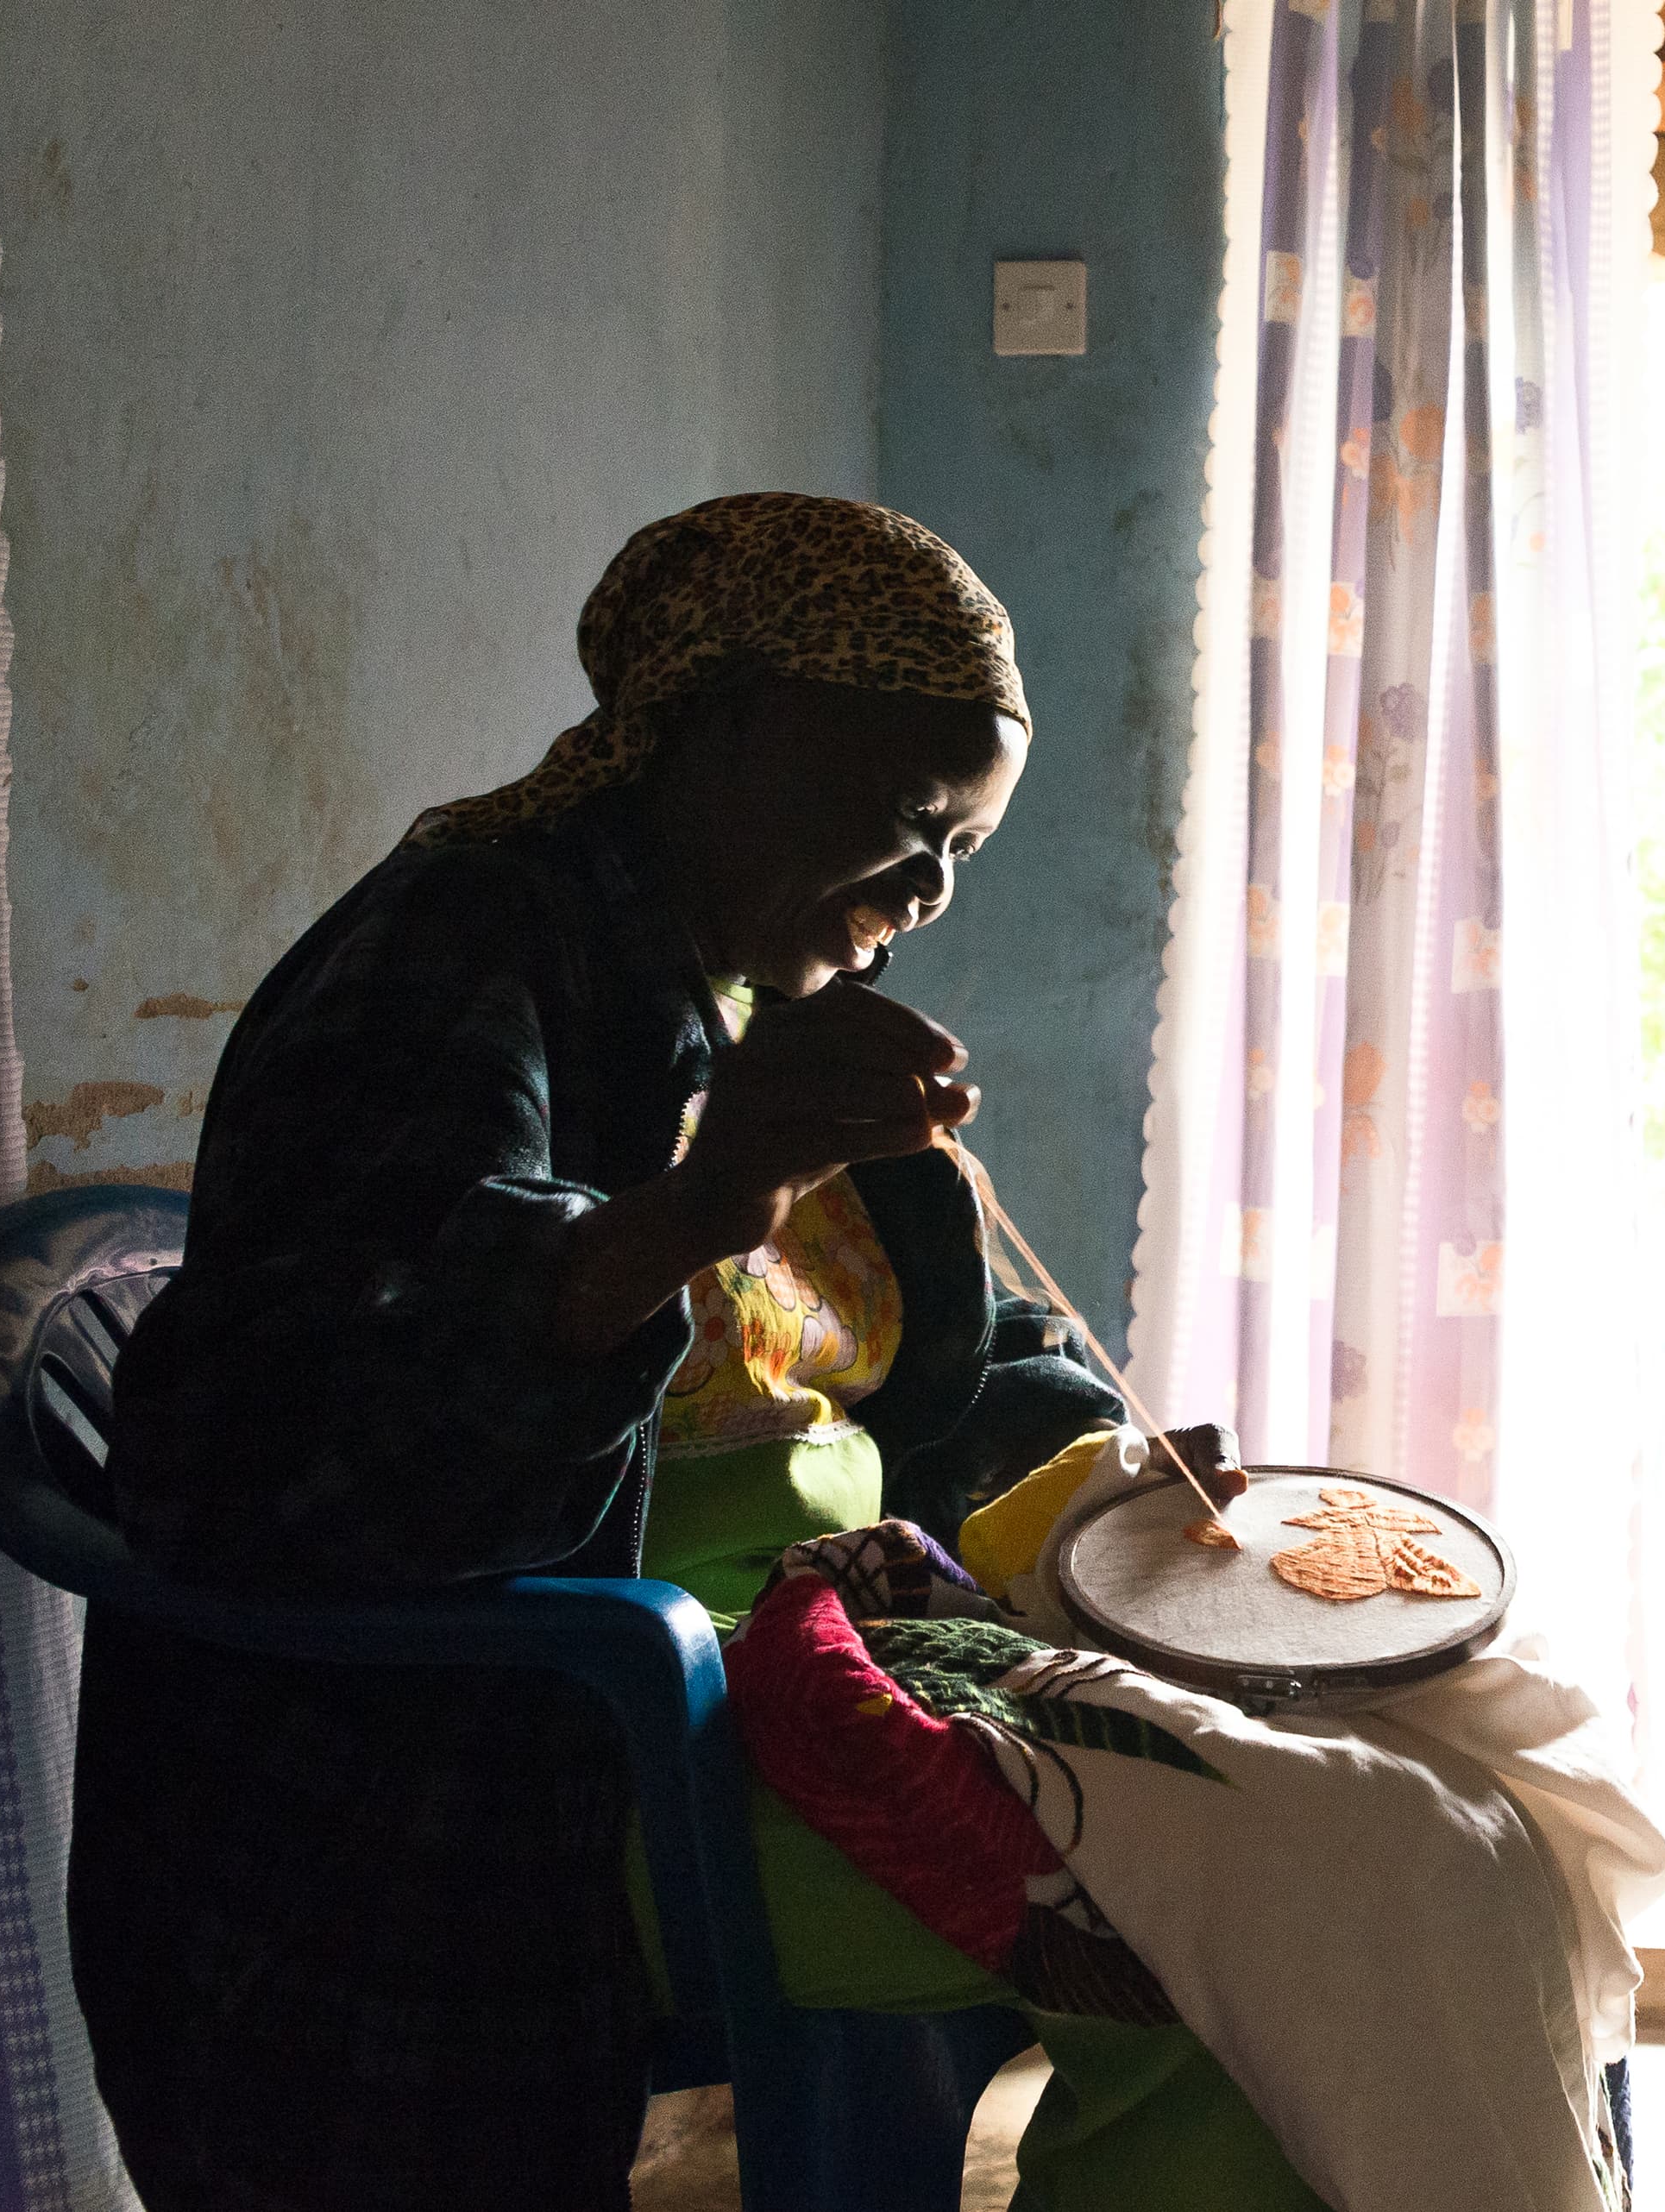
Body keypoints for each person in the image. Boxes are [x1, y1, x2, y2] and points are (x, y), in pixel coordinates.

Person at [73, 496, 1337, 2212]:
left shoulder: (753, 993)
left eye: (963, 851)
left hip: (812, 1672)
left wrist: (1128, 1485)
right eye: (912, 819)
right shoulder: (459, 958)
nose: (929, 890)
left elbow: (944, 1363)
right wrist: (693, 1208)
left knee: (1386, 1795)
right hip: (568, 1749)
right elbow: (277, 1451)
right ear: (728, 724)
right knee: (1273, 1915)